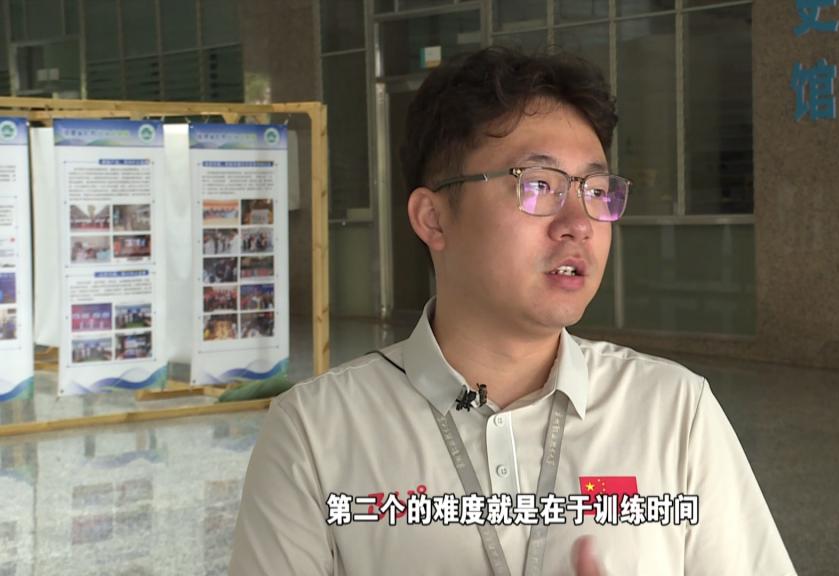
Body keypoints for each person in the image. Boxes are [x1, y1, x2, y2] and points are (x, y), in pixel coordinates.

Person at [230, 47, 796, 575]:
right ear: (433, 218)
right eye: (540, 184)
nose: (579, 223)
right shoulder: (315, 433)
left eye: (596, 190)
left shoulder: (674, 413)